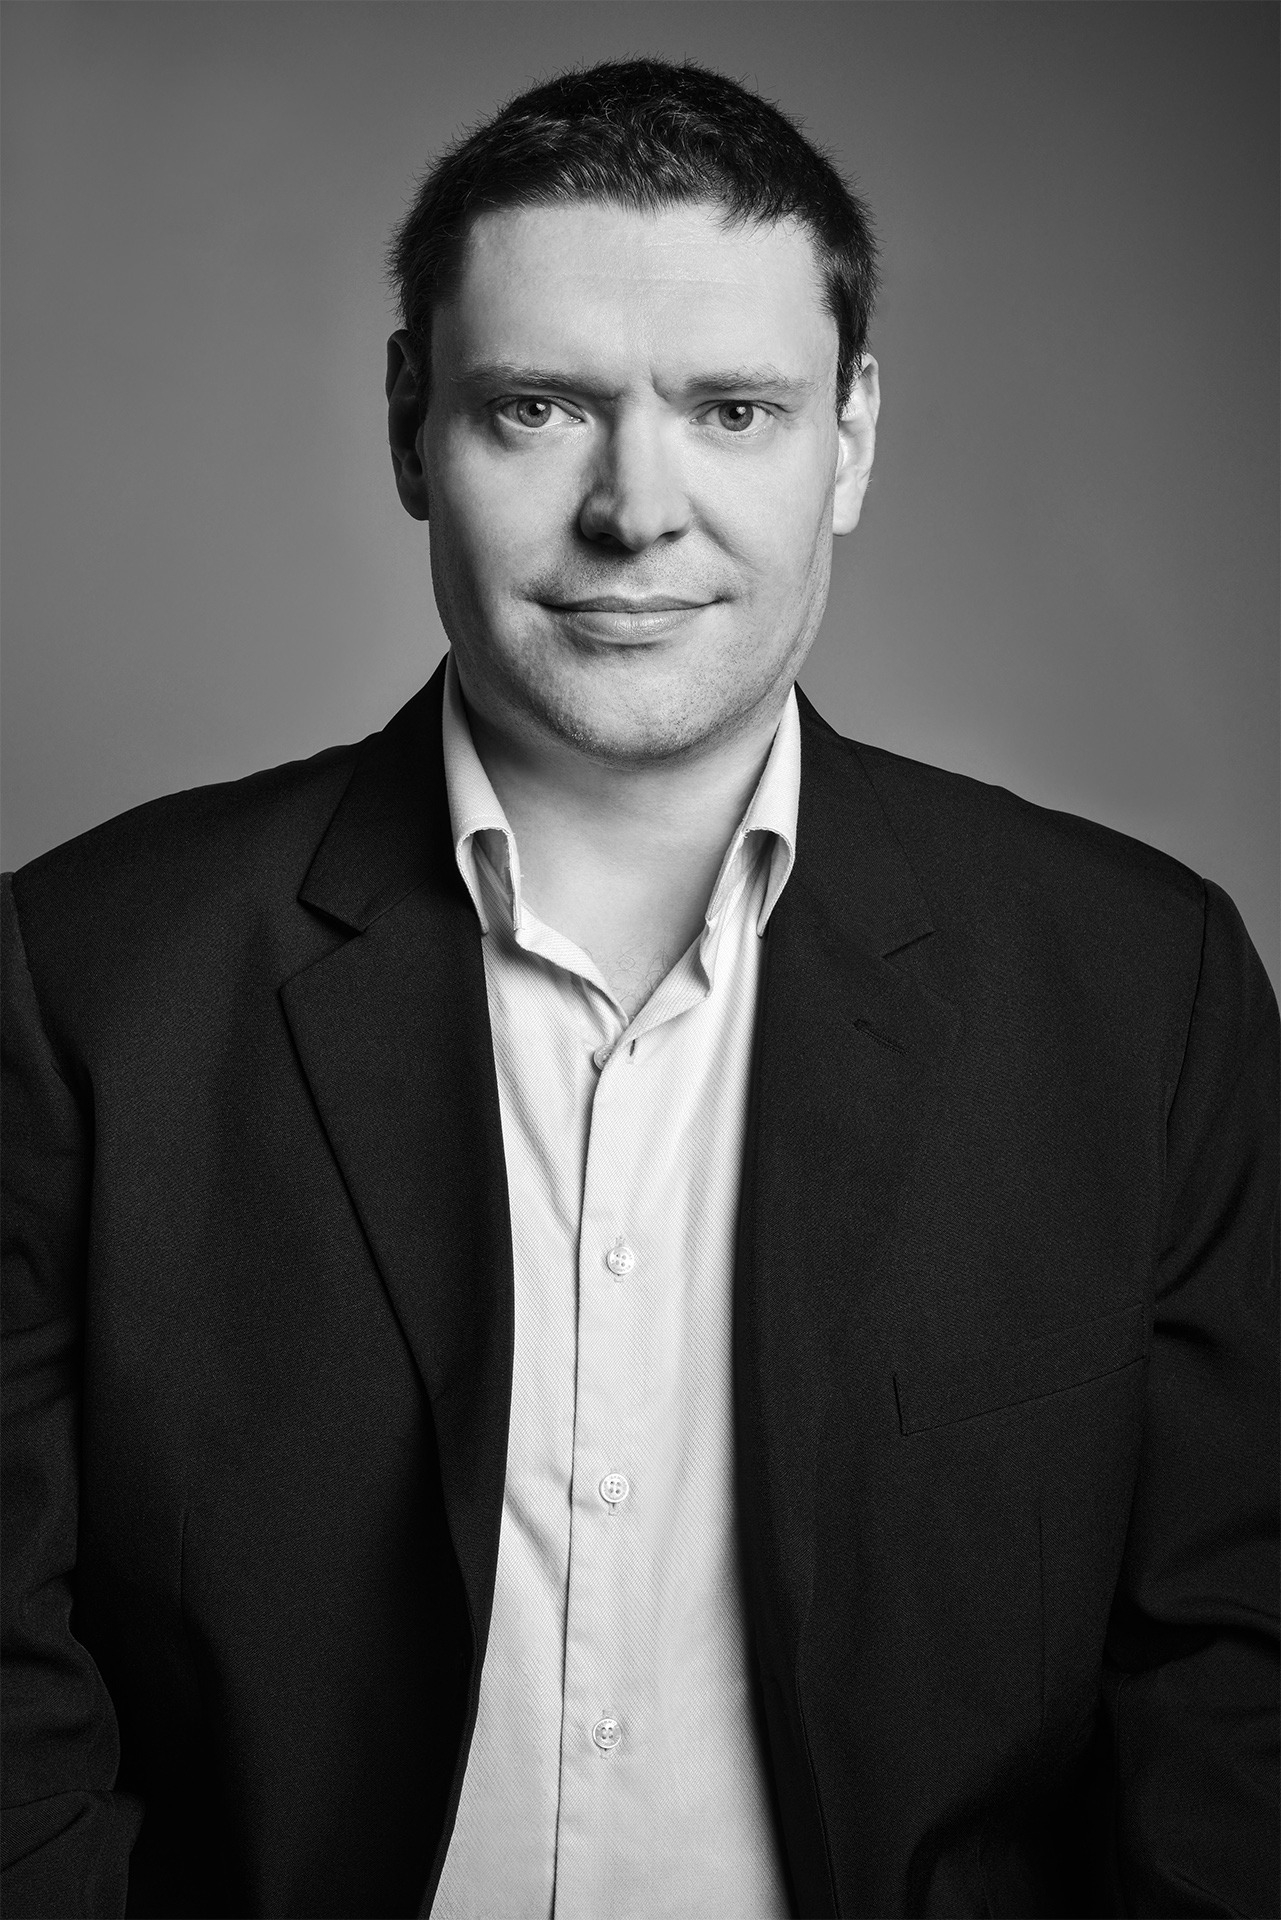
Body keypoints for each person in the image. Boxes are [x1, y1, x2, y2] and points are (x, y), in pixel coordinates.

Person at [2, 55, 1276, 1920]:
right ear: (409, 426)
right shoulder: (81, 979)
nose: (635, 510)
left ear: (850, 438)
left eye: (732, 411)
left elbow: (1232, 1693)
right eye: (538, 408)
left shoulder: (1142, 993)